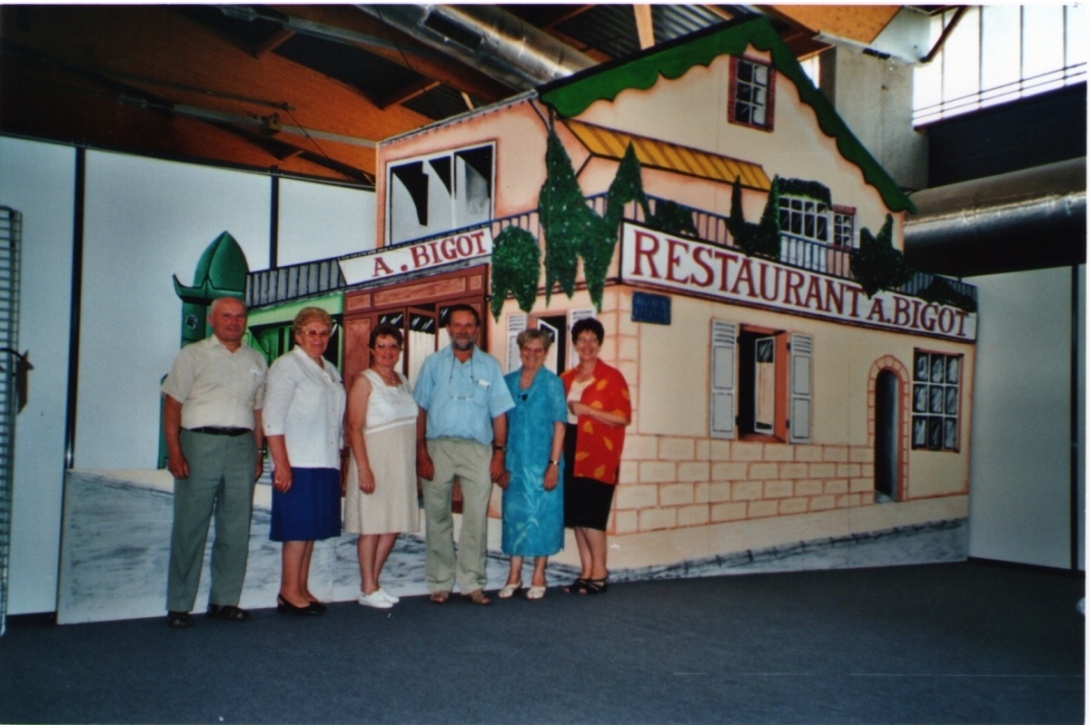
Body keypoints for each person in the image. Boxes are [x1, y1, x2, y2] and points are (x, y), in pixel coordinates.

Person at [162, 296, 267, 628]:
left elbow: (259, 411)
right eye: (227, 316)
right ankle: (179, 605)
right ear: (211, 320)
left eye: (239, 316)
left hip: (242, 448)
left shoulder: (257, 359)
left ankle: (224, 601)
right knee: (190, 527)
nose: (234, 322)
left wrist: (258, 453)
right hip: (199, 444)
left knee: (235, 528)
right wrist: (175, 452)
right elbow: (172, 405)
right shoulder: (192, 355)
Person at [414, 304, 515, 605]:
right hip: (438, 447)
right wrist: (421, 451)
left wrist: (499, 453)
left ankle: (472, 582)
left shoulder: (490, 366)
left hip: (478, 449)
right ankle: (440, 582)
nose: (462, 330)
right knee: (437, 516)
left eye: (469, 325)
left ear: (477, 329)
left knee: (475, 518)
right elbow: (420, 409)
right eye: (457, 325)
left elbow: (499, 414)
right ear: (448, 329)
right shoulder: (432, 364)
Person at [262, 307, 346, 616]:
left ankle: (301, 587)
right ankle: (287, 591)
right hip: (297, 460)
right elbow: (272, 418)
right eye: (312, 332)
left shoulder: (329, 369)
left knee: (310, 529)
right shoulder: (287, 366)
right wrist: (281, 464)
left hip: (324, 461)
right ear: (298, 335)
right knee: (297, 529)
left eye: (324, 333)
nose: (319, 338)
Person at [344, 323, 419, 609]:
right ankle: (367, 586)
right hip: (374, 461)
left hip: (399, 463)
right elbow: (354, 427)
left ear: (400, 350)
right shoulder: (364, 381)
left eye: (393, 346)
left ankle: (373, 584)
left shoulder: (402, 380)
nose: (387, 352)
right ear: (372, 350)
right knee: (373, 525)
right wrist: (363, 468)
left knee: (392, 524)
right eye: (382, 346)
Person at [560, 317, 631, 596]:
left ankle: (600, 573)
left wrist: (587, 410)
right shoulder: (565, 378)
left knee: (593, 517)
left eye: (592, 339)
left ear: (599, 343)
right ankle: (586, 571)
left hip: (600, 453)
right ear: (575, 343)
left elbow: (623, 418)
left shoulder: (612, 377)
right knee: (577, 516)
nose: (587, 345)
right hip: (570, 449)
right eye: (582, 339)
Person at [498, 329, 566, 601]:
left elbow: (559, 425)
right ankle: (514, 575)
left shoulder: (553, 384)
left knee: (543, 517)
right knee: (514, 517)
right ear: (520, 350)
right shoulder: (507, 381)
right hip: (514, 462)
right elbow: (500, 423)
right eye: (527, 349)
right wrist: (500, 459)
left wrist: (553, 464)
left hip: (543, 462)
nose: (532, 354)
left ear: (546, 353)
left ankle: (539, 573)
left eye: (538, 350)